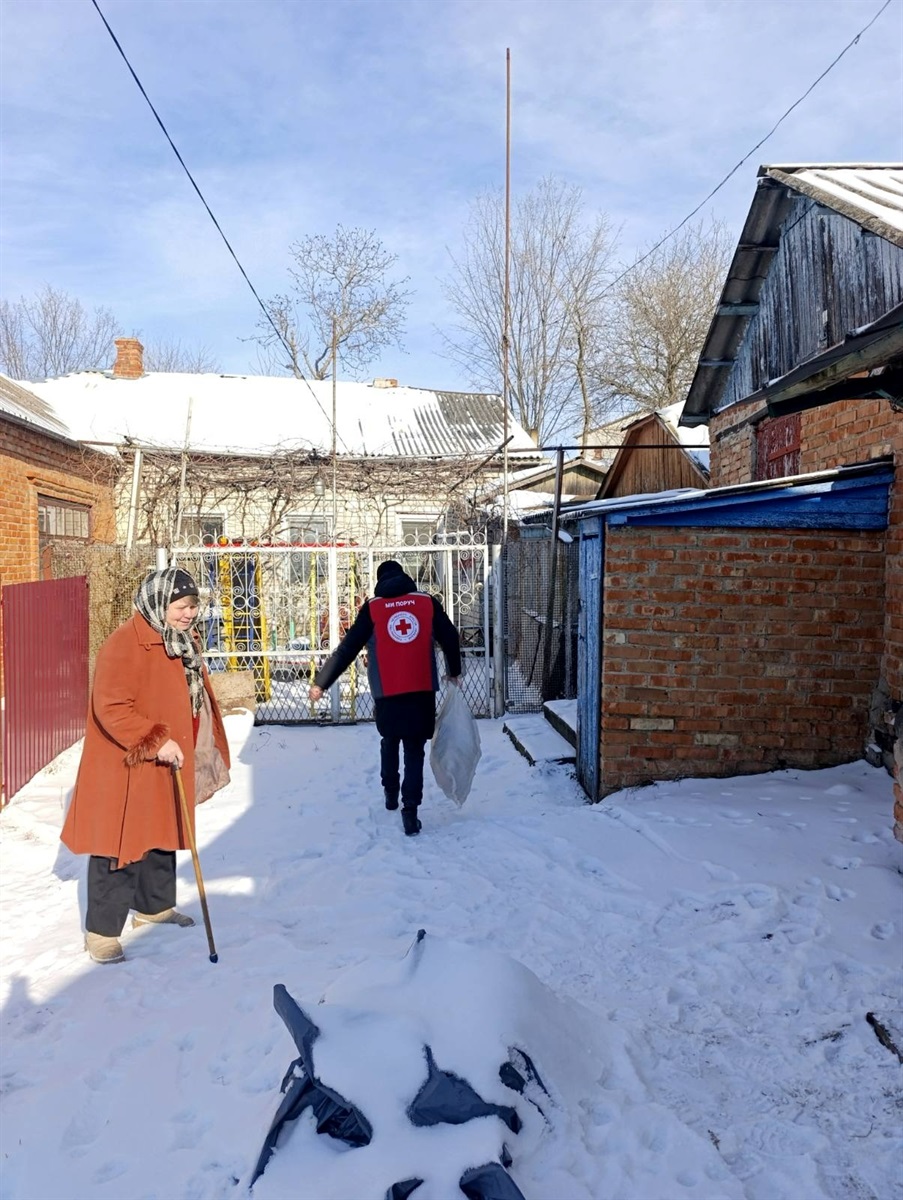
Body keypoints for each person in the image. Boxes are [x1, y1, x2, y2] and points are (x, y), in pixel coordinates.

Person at [61, 567, 231, 964]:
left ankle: (155, 907)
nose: (189, 614)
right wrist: (156, 740)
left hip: (166, 757)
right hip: (128, 761)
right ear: (158, 603)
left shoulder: (177, 640)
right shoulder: (126, 644)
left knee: (161, 830)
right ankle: (101, 932)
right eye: (181, 606)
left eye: (193, 606)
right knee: (120, 843)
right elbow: (111, 706)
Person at [309, 560, 462, 836]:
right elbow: (450, 636)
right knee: (414, 749)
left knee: (390, 739)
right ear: (405, 577)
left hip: (386, 692)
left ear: (380, 581)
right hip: (421, 689)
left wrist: (322, 682)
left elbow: (348, 649)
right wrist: (454, 671)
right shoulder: (426, 602)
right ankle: (410, 811)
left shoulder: (373, 608)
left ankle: (390, 792)